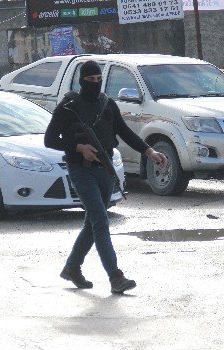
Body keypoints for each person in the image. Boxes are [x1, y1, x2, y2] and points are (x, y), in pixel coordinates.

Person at [45, 60, 168, 294]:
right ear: (82, 81)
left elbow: (124, 132)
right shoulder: (69, 106)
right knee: (100, 220)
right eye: (90, 80)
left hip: (105, 169)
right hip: (80, 169)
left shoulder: (107, 104)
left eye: (98, 80)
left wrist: (149, 151)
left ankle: (72, 267)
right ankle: (115, 276)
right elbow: (50, 139)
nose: (95, 84)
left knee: (93, 223)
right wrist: (78, 147)